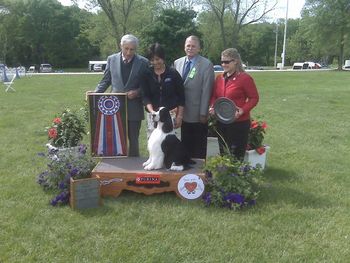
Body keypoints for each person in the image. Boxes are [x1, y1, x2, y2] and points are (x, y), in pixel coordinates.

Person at [94, 34, 149, 157]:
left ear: (136, 49)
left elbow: (148, 85)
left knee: (134, 140)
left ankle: (134, 166)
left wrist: (137, 92)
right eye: (126, 48)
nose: (129, 52)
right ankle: (117, 166)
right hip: (113, 109)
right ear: (121, 46)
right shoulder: (111, 59)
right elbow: (106, 80)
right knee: (115, 140)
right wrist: (94, 94)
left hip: (134, 108)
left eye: (132, 49)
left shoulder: (144, 62)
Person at [209, 48, 259, 160]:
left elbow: (254, 98)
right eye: (222, 62)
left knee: (236, 156)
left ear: (235, 61)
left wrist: (242, 110)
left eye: (226, 62)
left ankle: (236, 177)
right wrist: (212, 106)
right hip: (221, 121)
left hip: (239, 123)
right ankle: (225, 175)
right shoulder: (219, 78)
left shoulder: (245, 78)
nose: (223, 64)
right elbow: (214, 96)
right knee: (223, 153)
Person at [174, 35, 215, 159]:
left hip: (198, 114)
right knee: (184, 144)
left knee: (198, 146)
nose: (190, 48)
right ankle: (185, 170)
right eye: (188, 46)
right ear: (184, 47)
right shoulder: (177, 62)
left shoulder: (206, 64)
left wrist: (203, 113)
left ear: (199, 48)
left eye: (193, 46)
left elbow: (207, 90)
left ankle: (199, 172)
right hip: (181, 112)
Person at [142, 43, 185, 137]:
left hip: (171, 115)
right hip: (153, 116)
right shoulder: (146, 74)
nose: (155, 62)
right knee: (154, 146)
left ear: (163, 58)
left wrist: (180, 116)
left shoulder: (173, 73)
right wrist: (152, 111)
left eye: (157, 59)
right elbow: (145, 96)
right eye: (152, 60)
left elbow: (182, 96)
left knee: (172, 147)